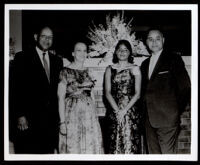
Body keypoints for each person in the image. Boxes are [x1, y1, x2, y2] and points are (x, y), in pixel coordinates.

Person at [11, 26, 63, 153]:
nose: (47, 40)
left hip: (50, 122)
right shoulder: (22, 57)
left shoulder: (57, 61)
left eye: (50, 37)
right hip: (29, 120)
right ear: (36, 37)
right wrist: (20, 114)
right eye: (44, 36)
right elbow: (14, 88)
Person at [140, 28, 191, 154]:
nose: (154, 42)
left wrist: (174, 111)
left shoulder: (174, 59)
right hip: (149, 122)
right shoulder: (144, 64)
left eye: (158, 38)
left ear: (163, 40)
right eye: (150, 39)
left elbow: (185, 87)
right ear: (146, 42)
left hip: (167, 120)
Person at [57, 42, 104, 154]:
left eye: (84, 50)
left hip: (89, 117)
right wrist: (62, 122)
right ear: (73, 53)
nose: (82, 53)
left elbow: (91, 95)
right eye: (79, 50)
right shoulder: (65, 71)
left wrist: (95, 118)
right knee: (73, 148)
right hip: (72, 115)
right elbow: (60, 98)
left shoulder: (89, 72)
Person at [104, 40, 142, 154]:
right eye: (120, 49)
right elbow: (107, 92)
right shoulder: (109, 69)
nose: (122, 52)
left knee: (130, 144)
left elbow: (138, 93)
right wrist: (117, 111)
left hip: (130, 112)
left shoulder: (135, 68)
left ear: (130, 53)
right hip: (114, 112)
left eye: (125, 50)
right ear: (115, 52)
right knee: (113, 143)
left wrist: (124, 111)